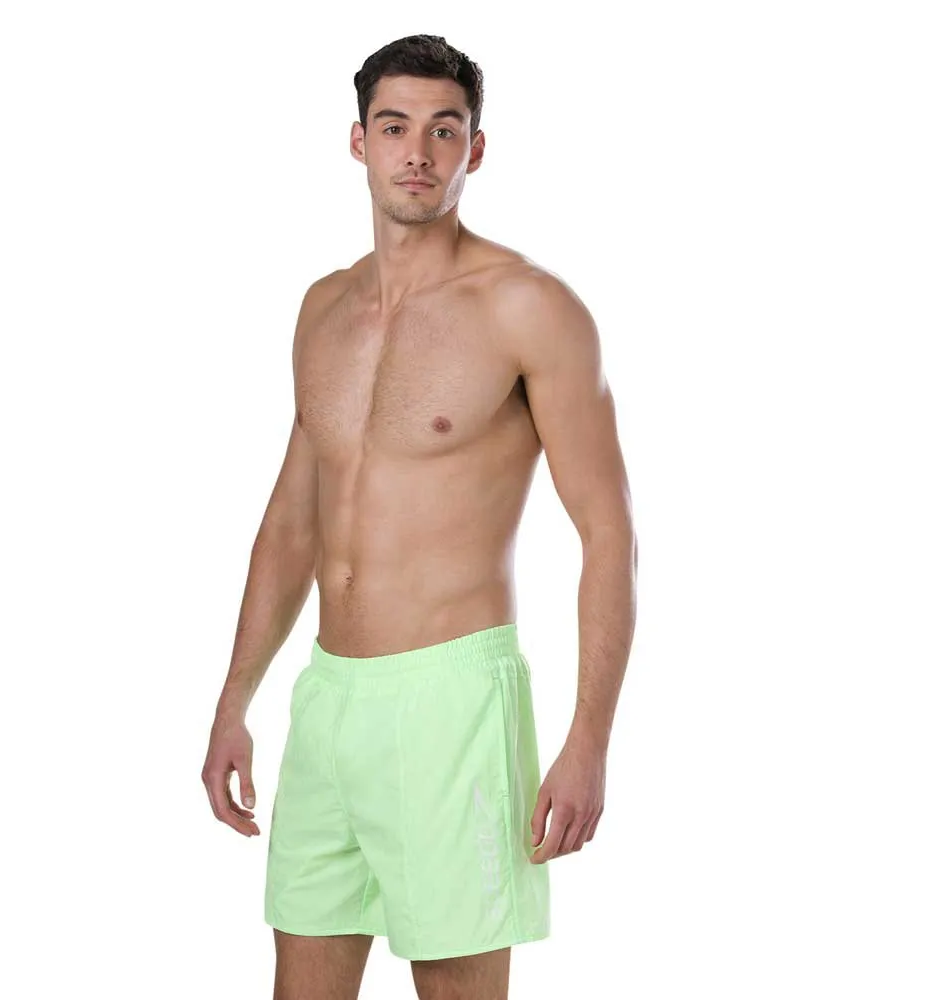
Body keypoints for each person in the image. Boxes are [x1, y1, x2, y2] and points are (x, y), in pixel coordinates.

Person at [201, 33, 638, 1000]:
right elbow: (292, 522)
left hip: (454, 702)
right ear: (358, 141)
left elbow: (609, 532)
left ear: (475, 148)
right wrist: (236, 700)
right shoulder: (323, 308)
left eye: (445, 131)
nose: (419, 153)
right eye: (395, 127)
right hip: (328, 700)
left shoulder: (529, 308)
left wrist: (589, 742)